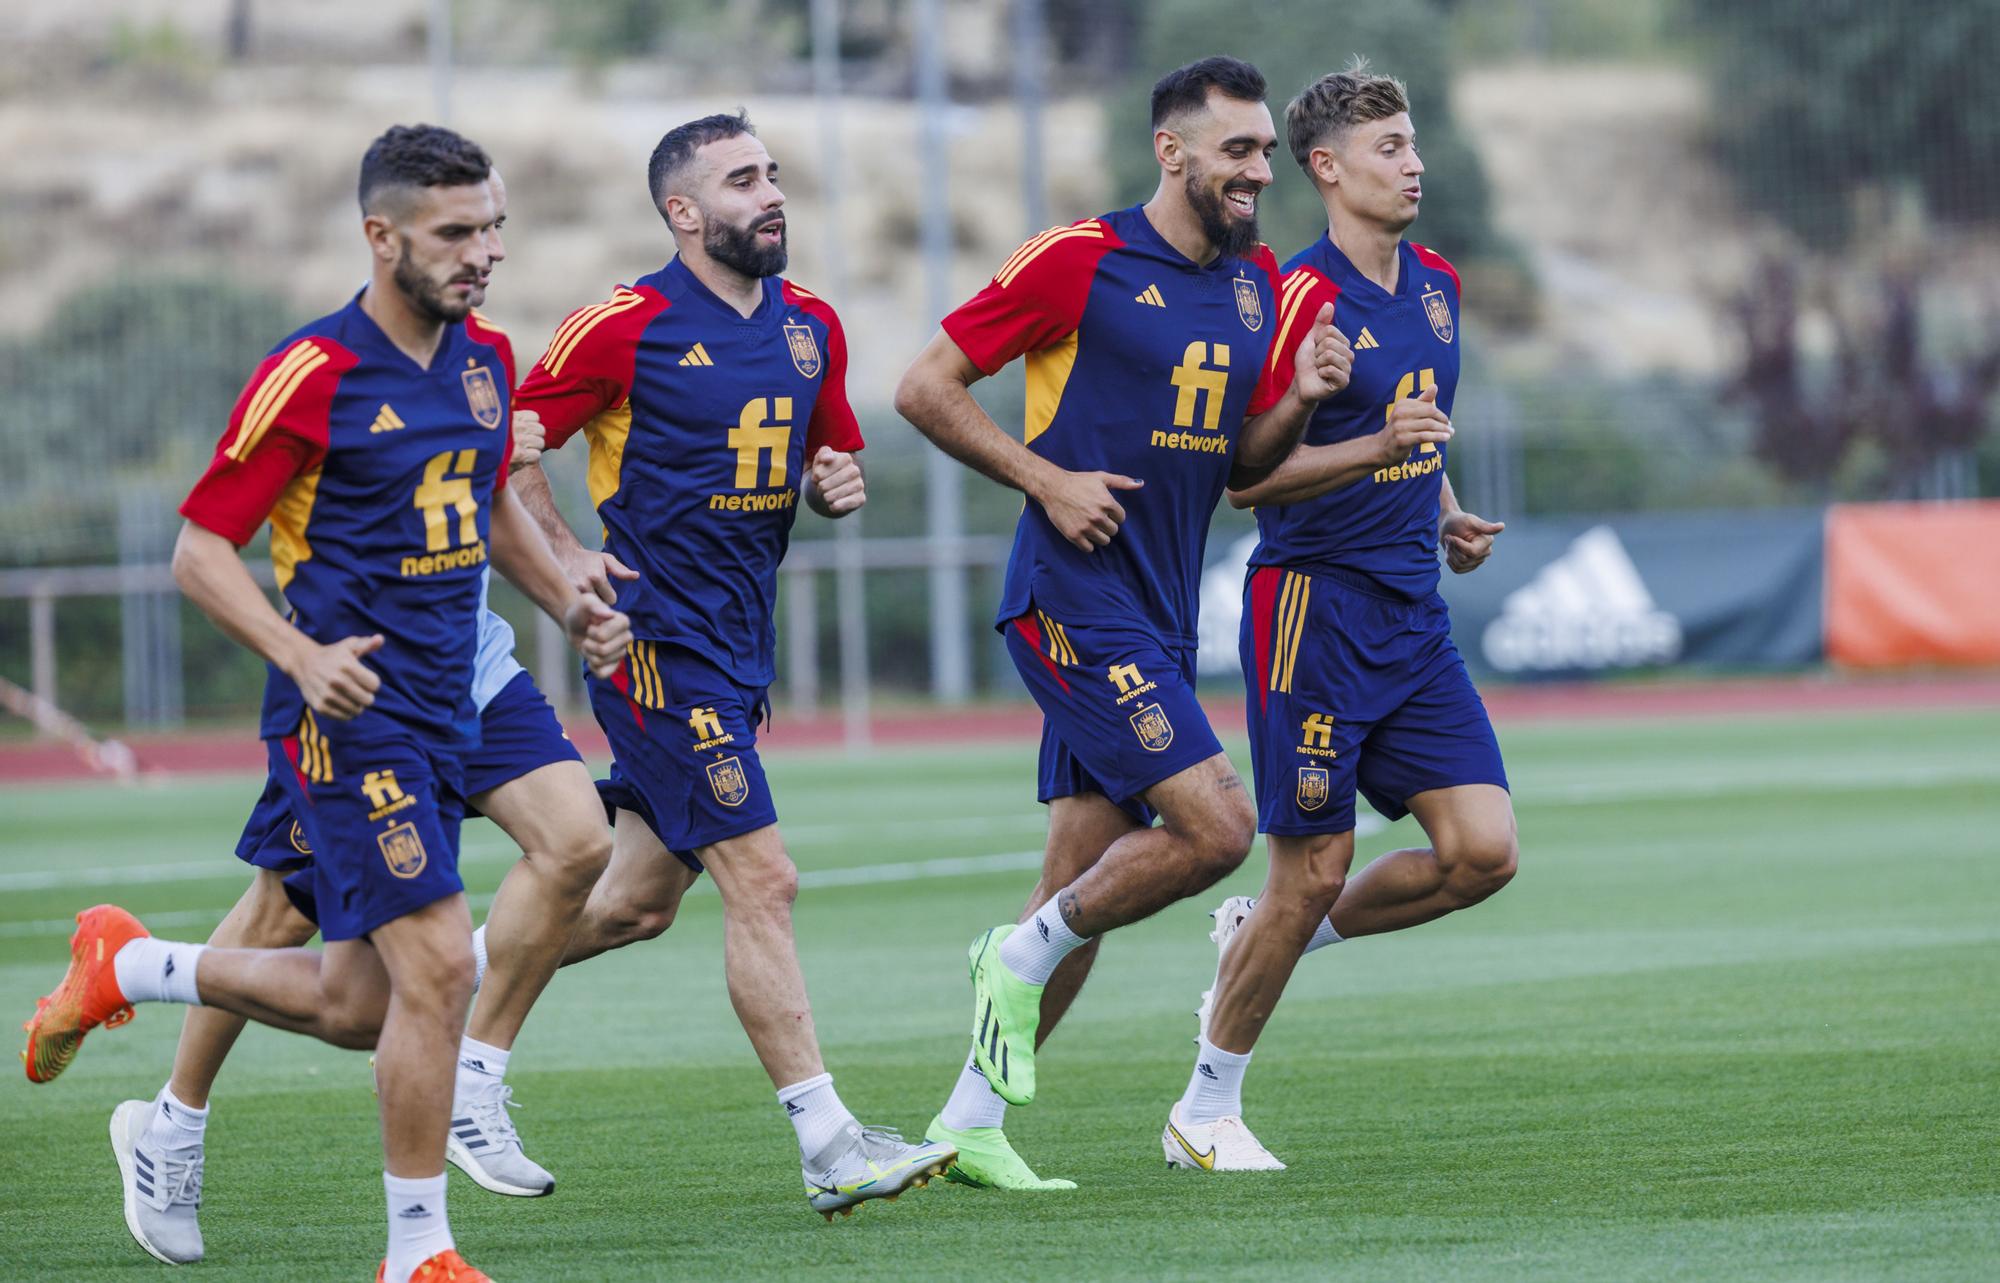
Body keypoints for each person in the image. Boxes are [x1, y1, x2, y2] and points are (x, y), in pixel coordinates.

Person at [23, 124, 631, 1283]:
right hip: (354, 709)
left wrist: (565, 600)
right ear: (380, 234)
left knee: (545, 864)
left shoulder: (484, 360)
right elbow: (200, 551)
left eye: (493, 227)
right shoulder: (312, 374)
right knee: (427, 967)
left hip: (466, 681)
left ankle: (133, 969)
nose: (482, 252)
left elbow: (490, 497)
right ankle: (418, 1250)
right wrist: (299, 659)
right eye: (456, 233)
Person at [891, 56, 1350, 1189]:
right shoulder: (1077, 258)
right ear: (1172, 151)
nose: (1257, 172)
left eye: (1263, 154)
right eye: (1236, 150)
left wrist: (1298, 398)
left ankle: (964, 1124)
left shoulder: (1252, 288)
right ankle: (1015, 952)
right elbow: (924, 386)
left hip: (1150, 608)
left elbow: (1241, 467)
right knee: (1215, 828)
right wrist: (1043, 478)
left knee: (1081, 878)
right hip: (1069, 597)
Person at [506, 110, 953, 1221]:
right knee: (766, 877)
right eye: (742, 179)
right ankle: (827, 1139)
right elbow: (505, 450)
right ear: (683, 212)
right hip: (657, 650)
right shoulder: (622, 325)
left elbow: (826, 453)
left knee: (631, 905)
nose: (770, 193)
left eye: (772, 174)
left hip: (735, 653)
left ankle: (424, 992)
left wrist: (831, 482)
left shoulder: (810, 326)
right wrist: (569, 569)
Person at [1168, 60, 1516, 1172]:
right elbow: (1243, 479)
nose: (1411, 164)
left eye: (1411, 144)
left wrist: (1447, 510)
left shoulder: (1435, 286)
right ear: (1324, 169)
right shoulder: (1290, 295)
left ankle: (1270, 936)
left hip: (1411, 611)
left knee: (1481, 852)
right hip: (1310, 610)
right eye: (1387, 149)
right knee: (1310, 862)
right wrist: (1365, 444)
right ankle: (1203, 1110)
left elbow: (1419, 424)